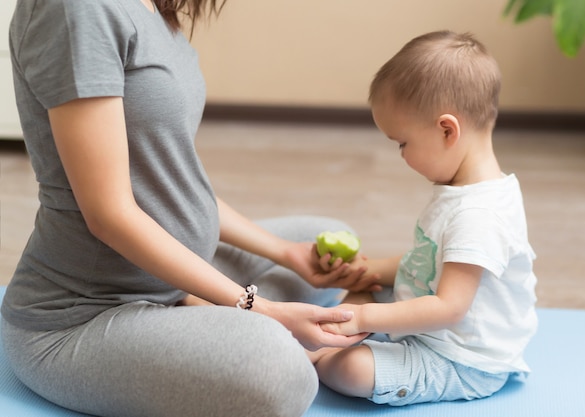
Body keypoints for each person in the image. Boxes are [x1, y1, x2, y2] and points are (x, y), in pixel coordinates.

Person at [0, 1, 374, 416]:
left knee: (321, 234)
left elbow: (169, 181)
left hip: (172, 285)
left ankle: (198, 312)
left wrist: (284, 252)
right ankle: (236, 332)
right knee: (280, 374)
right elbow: (109, 215)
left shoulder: (152, 7)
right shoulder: (76, 10)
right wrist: (260, 309)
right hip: (83, 315)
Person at [310, 30, 538, 406]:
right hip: (433, 326)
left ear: (447, 130)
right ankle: (337, 338)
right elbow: (431, 259)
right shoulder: (461, 188)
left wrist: (364, 319)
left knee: (351, 370)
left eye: (402, 142)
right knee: (354, 310)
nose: (400, 155)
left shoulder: (479, 214)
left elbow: (449, 307)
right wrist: (372, 271)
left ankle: (315, 356)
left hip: (461, 359)